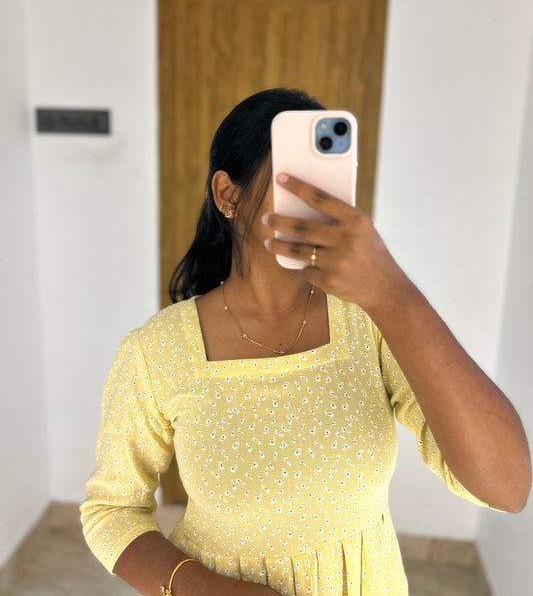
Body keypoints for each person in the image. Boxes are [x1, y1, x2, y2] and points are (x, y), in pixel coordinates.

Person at [80, 88, 531, 596]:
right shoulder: (156, 350)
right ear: (227, 194)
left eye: (330, 181)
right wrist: (201, 588)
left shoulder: (371, 321)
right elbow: (111, 511)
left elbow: (508, 487)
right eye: (296, 179)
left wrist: (393, 294)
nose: (319, 202)